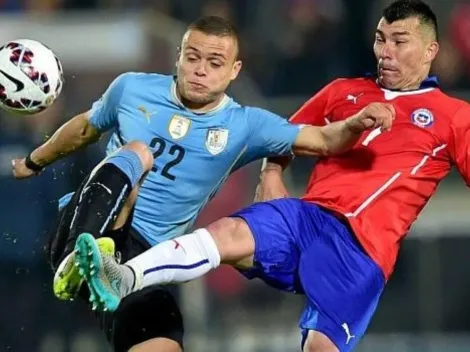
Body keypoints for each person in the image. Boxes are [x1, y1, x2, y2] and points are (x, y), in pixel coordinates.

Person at [77, 1, 470, 352]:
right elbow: (286, 135)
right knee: (227, 233)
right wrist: (271, 174)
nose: (386, 52)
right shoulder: (343, 91)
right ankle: (124, 277)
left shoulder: (452, 115)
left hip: (362, 251)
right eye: (380, 39)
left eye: (399, 42)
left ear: (430, 50)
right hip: (307, 218)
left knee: (319, 347)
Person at [11, 16, 392, 352]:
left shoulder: (246, 125)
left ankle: (104, 271)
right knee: (139, 152)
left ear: (234, 71)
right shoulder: (132, 89)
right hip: (93, 224)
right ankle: (79, 259)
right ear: (178, 56)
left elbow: (323, 140)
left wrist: (355, 123)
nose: (199, 70)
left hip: (148, 263)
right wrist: (34, 161)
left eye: (214, 63)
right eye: (192, 58)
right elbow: (83, 128)